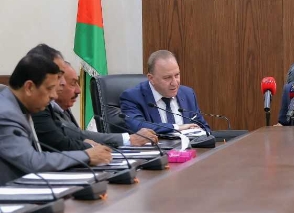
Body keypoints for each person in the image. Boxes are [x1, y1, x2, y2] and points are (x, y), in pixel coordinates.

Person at [0, 54, 111, 185]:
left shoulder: (19, 107)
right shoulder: (6, 113)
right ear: (29, 87)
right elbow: (31, 162)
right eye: (49, 88)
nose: (54, 95)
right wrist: (86, 156)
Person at [33, 61, 158, 151]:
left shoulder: (62, 108)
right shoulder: (41, 111)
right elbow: (73, 137)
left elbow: (77, 137)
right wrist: (127, 139)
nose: (79, 90)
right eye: (73, 83)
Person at [120, 50, 210, 135]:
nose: (174, 83)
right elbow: (138, 127)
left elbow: (204, 128)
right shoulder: (132, 97)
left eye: (177, 75)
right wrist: (177, 127)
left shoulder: (188, 94)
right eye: (167, 78)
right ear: (151, 78)